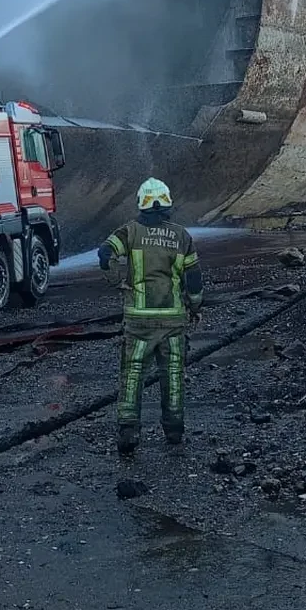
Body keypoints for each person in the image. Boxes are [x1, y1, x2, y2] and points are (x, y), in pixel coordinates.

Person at [98, 179, 204, 454]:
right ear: (167, 203)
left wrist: (115, 280)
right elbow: (193, 276)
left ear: (142, 204)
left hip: (138, 321)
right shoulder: (182, 236)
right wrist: (195, 305)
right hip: (172, 320)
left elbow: (104, 252)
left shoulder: (129, 232)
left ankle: (129, 431)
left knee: (133, 372)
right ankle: (174, 431)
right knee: (173, 374)